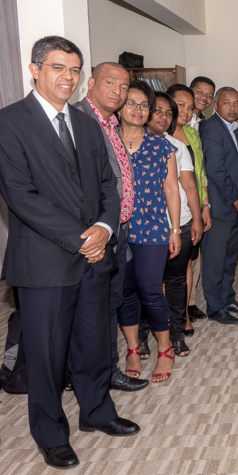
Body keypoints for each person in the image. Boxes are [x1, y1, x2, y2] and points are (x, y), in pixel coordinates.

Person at [0, 35, 139, 469]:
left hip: (95, 255)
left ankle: (97, 412)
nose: (67, 77)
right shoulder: (6, 123)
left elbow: (108, 184)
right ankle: (50, 434)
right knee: (47, 355)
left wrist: (105, 228)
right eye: (58, 67)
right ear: (35, 70)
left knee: (94, 345)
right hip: (45, 261)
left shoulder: (88, 124)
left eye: (74, 69)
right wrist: (81, 238)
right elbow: (21, 196)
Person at [73, 62, 148, 392]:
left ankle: (105, 369)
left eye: (124, 86)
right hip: (95, 233)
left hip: (119, 228)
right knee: (92, 308)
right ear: (90, 83)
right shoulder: (77, 120)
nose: (118, 91)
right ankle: (94, 375)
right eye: (110, 83)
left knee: (110, 302)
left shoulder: (112, 122)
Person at [118, 82, 181, 384]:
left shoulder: (162, 146)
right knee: (125, 291)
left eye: (144, 105)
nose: (138, 110)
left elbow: (172, 190)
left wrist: (175, 229)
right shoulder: (107, 141)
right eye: (131, 103)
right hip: (117, 231)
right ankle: (133, 348)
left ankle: (165, 349)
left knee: (151, 290)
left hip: (153, 227)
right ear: (119, 106)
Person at [145, 92, 201, 357]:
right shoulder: (132, 143)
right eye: (158, 110)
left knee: (176, 282)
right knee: (148, 285)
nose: (164, 117)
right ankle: (144, 337)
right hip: (148, 228)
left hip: (182, 223)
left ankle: (177, 335)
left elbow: (189, 184)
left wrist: (197, 217)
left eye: (169, 113)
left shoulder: (176, 146)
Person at [200, 87, 238, 324]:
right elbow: (215, 169)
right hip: (221, 206)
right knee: (215, 260)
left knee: (229, 257)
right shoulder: (211, 128)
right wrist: (235, 197)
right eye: (226, 103)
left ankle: (227, 298)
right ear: (215, 105)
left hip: (235, 205)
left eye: (236, 103)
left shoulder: (235, 129)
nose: (232, 108)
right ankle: (215, 307)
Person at [168, 83, 210, 335]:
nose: (185, 111)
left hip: (189, 209)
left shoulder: (192, 135)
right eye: (180, 105)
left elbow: (200, 174)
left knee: (186, 264)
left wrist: (204, 206)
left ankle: (183, 313)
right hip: (162, 213)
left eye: (190, 107)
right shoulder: (155, 133)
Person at [185, 76, 215, 322]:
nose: (204, 98)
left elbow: (201, 166)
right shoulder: (172, 122)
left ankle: (191, 302)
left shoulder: (204, 124)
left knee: (195, 253)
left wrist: (205, 203)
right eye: (199, 92)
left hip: (198, 193)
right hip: (177, 195)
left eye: (209, 95)